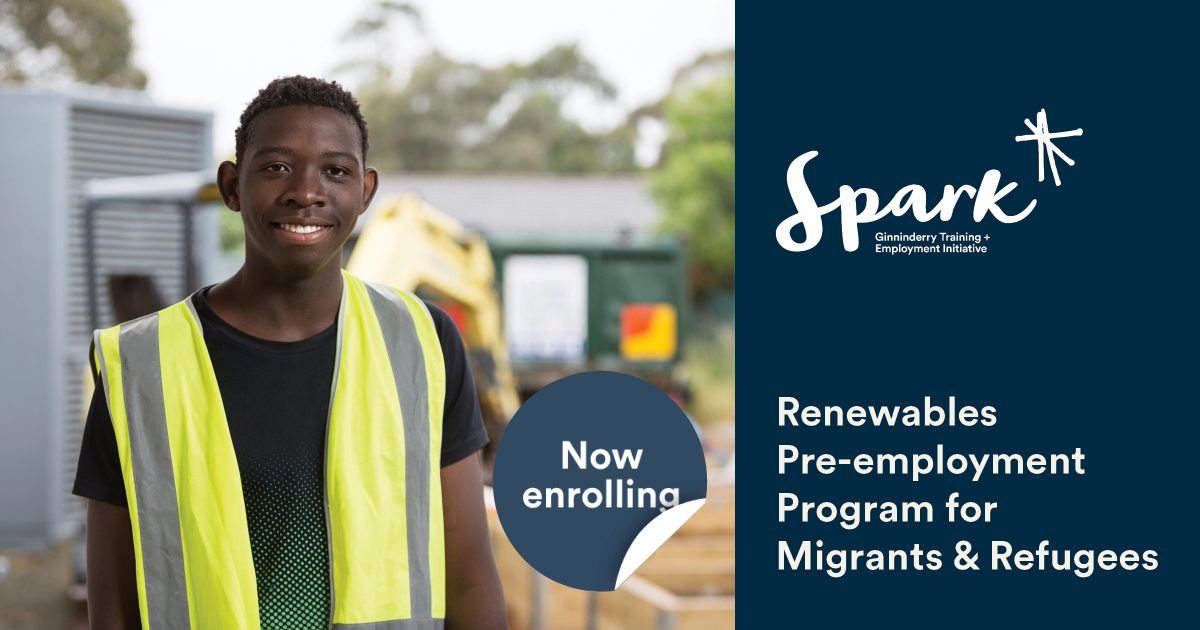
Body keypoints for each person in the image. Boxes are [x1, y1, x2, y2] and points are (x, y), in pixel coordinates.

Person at [73, 76, 507, 629]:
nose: (306, 191)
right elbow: (112, 604)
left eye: (335, 170)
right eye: (277, 167)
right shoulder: (137, 364)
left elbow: (469, 573)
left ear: (366, 191)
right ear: (232, 185)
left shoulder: (424, 341)